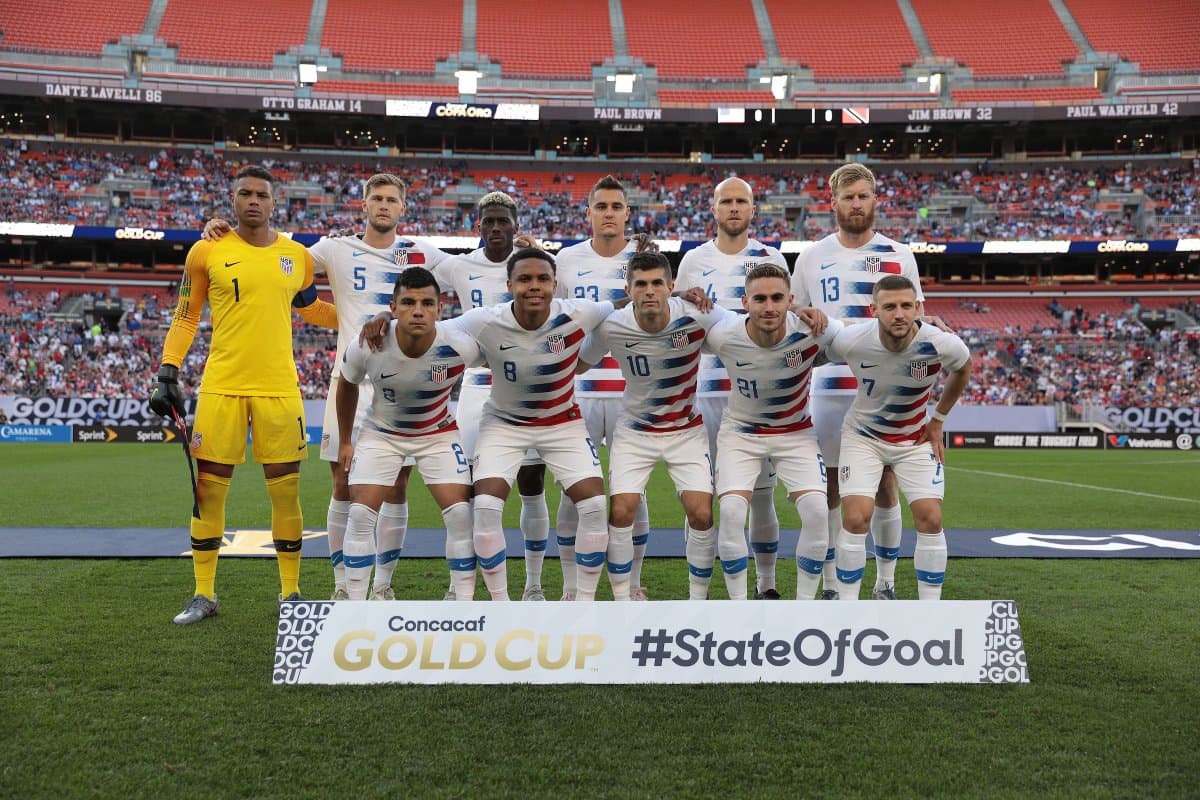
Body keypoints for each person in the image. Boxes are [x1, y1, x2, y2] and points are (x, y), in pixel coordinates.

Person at [203, 174, 450, 602]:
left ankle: (383, 587)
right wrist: (221, 235)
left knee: (396, 486)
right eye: (377, 198)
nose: (384, 205)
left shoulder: (422, 252)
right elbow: (272, 254)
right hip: (349, 380)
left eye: (392, 199)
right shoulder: (333, 249)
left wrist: (523, 249)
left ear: (404, 208)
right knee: (343, 482)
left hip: (403, 383)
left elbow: (474, 267)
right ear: (364, 205)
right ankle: (341, 586)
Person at [151, 165, 337, 625]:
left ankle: (291, 594)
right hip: (221, 387)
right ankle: (204, 594)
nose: (254, 200)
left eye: (262, 194)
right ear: (232, 200)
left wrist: (367, 319)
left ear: (276, 202)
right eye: (245, 193)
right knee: (208, 492)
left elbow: (311, 308)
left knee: (286, 494)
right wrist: (167, 369)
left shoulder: (296, 256)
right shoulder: (207, 249)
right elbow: (186, 315)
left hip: (279, 389)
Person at [444, 248, 622, 601]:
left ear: (556, 285)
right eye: (525, 279)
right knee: (486, 506)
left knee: (595, 507)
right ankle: (502, 604)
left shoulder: (579, 312)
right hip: (504, 423)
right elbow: (433, 328)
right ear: (509, 284)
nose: (534, 286)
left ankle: (583, 602)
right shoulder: (485, 319)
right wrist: (383, 322)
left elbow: (623, 302)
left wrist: (677, 296)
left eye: (542, 279)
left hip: (562, 422)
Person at [791, 163, 926, 600]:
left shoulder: (900, 254)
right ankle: (831, 584)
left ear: (874, 200)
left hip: (885, 389)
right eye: (847, 197)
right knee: (831, 484)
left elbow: (914, 316)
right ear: (833, 203)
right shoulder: (811, 256)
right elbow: (796, 317)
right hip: (829, 388)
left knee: (886, 483)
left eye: (862, 196)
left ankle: (885, 582)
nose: (855, 204)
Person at [577, 251, 726, 600]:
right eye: (640, 284)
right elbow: (580, 364)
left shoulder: (698, 316)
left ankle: (697, 602)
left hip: (685, 430)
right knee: (621, 510)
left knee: (702, 514)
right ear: (628, 289)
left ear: (671, 287)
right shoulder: (611, 324)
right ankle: (622, 599)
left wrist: (796, 314)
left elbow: (750, 325)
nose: (649, 291)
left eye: (657, 283)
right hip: (635, 431)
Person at [674, 176, 790, 599]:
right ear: (714, 208)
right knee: (700, 497)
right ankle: (699, 595)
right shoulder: (692, 261)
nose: (735, 208)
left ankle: (767, 585)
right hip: (704, 390)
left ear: (753, 210)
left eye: (743, 201)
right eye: (728, 201)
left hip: (759, 394)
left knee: (760, 494)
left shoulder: (771, 256)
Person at [335, 268, 481, 601]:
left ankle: (462, 602)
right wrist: (345, 440)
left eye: (428, 303)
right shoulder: (368, 343)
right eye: (409, 302)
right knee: (360, 512)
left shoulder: (460, 345)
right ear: (394, 307)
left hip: (438, 434)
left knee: (460, 513)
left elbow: (504, 357)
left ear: (440, 310)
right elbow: (347, 384)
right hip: (382, 433)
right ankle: (359, 605)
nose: (419, 310)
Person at [825, 275, 971, 600]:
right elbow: (810, 352)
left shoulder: (941, 342)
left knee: (931, 518)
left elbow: (964, 368)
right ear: (873, 309)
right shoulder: (852, 340)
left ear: (919, 307)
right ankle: (847, 609)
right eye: (889, 306)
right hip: (863, 437)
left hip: (915, 439)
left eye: (907, 305)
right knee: (856, 515)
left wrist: (939, 420)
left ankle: (925, 611)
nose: (899, 313)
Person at [436, 192, 552, 601]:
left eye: (504, 221)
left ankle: (533, 585)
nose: (497, 228)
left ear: (516, 225)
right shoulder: (458, 266)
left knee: (531, 482)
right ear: (479, 226)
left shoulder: (536, 265)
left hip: (527, 385)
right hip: (477, 384)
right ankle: (459, 587)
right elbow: (406, 258)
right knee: (467, 486)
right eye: (490, 222)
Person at [700, 264, 837, 600]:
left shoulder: (815, 330)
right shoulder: (723, 334)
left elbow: (869, 337)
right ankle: (741, 606)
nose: (769, 307)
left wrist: (925, 328)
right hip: (740, 435)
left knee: (818, 512)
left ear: (791, 300)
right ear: (744, 302)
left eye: (777, 298)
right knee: (731, 512)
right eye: (759, 299)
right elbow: (674, 326)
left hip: (795, 433)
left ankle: (802, 606)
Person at [554, 175, 650, 600]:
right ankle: (572, 586)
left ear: (627, 213)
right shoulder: (567, 259)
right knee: (574, 491)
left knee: (634, 493)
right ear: (588, 212)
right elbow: (553, 319)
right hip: (579, 390)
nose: (609, 213)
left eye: (616, 206)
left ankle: (632, 584)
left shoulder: (648, 257)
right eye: (601, 206)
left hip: (634, 391)